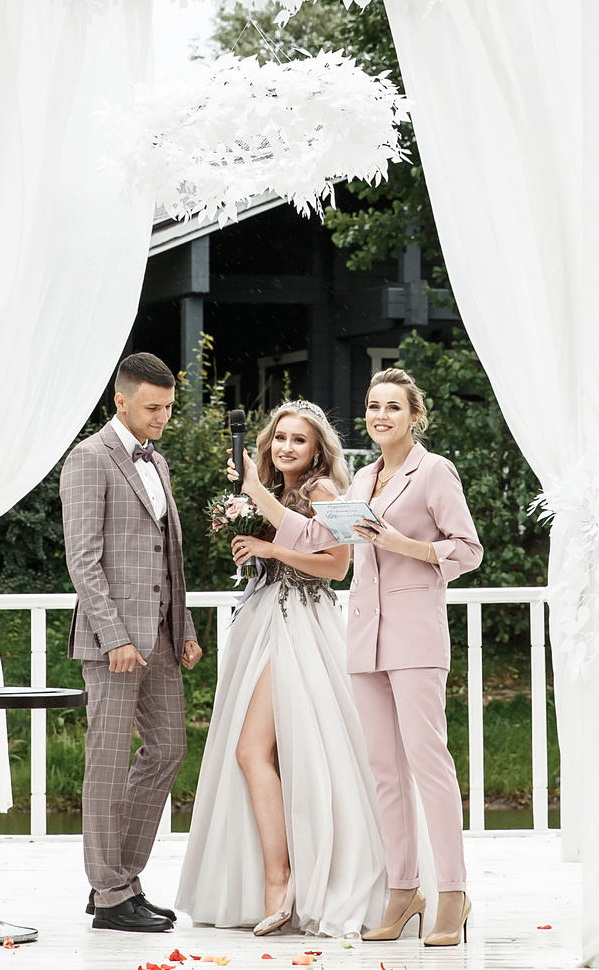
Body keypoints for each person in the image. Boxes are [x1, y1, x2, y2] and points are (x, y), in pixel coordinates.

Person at [175, 401, 391, 937]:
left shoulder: (323, 492)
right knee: (265, 752)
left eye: (299, 440)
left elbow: (337, 567)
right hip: (264, 617)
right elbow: (282, 544)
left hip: (300, 624)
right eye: (279, 439)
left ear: (318, 449)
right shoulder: (278, 493)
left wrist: (270, 539)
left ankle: (284, 877)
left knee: (256, 750)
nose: (286, 448)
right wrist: (254, 549)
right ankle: (273, 875)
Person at [61, 351, 204, 932]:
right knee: (106, 762)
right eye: (153, 407)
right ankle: (112, 893)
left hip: (164, 640)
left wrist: (186, 628)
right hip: (113, 643)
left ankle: (120, 880)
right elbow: (84, 560)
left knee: (168, 748)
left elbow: (170, 557)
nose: (162, 418)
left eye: (169, 408)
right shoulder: (88, 459)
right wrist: (114, 635)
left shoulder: (159, 462)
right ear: (121, 400)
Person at [343, 368, 483, 948]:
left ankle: (452, 892)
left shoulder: (435, 472)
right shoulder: (360, 479)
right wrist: (259, 500)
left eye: (392, 408)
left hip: (415, 636)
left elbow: (468, 550)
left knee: (429, 762)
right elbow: (333, 544)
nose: (381, 416)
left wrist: (398, 543)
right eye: (373, 406)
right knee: (384, 771)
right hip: (364, 638)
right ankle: (404, 892)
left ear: (414, 416)